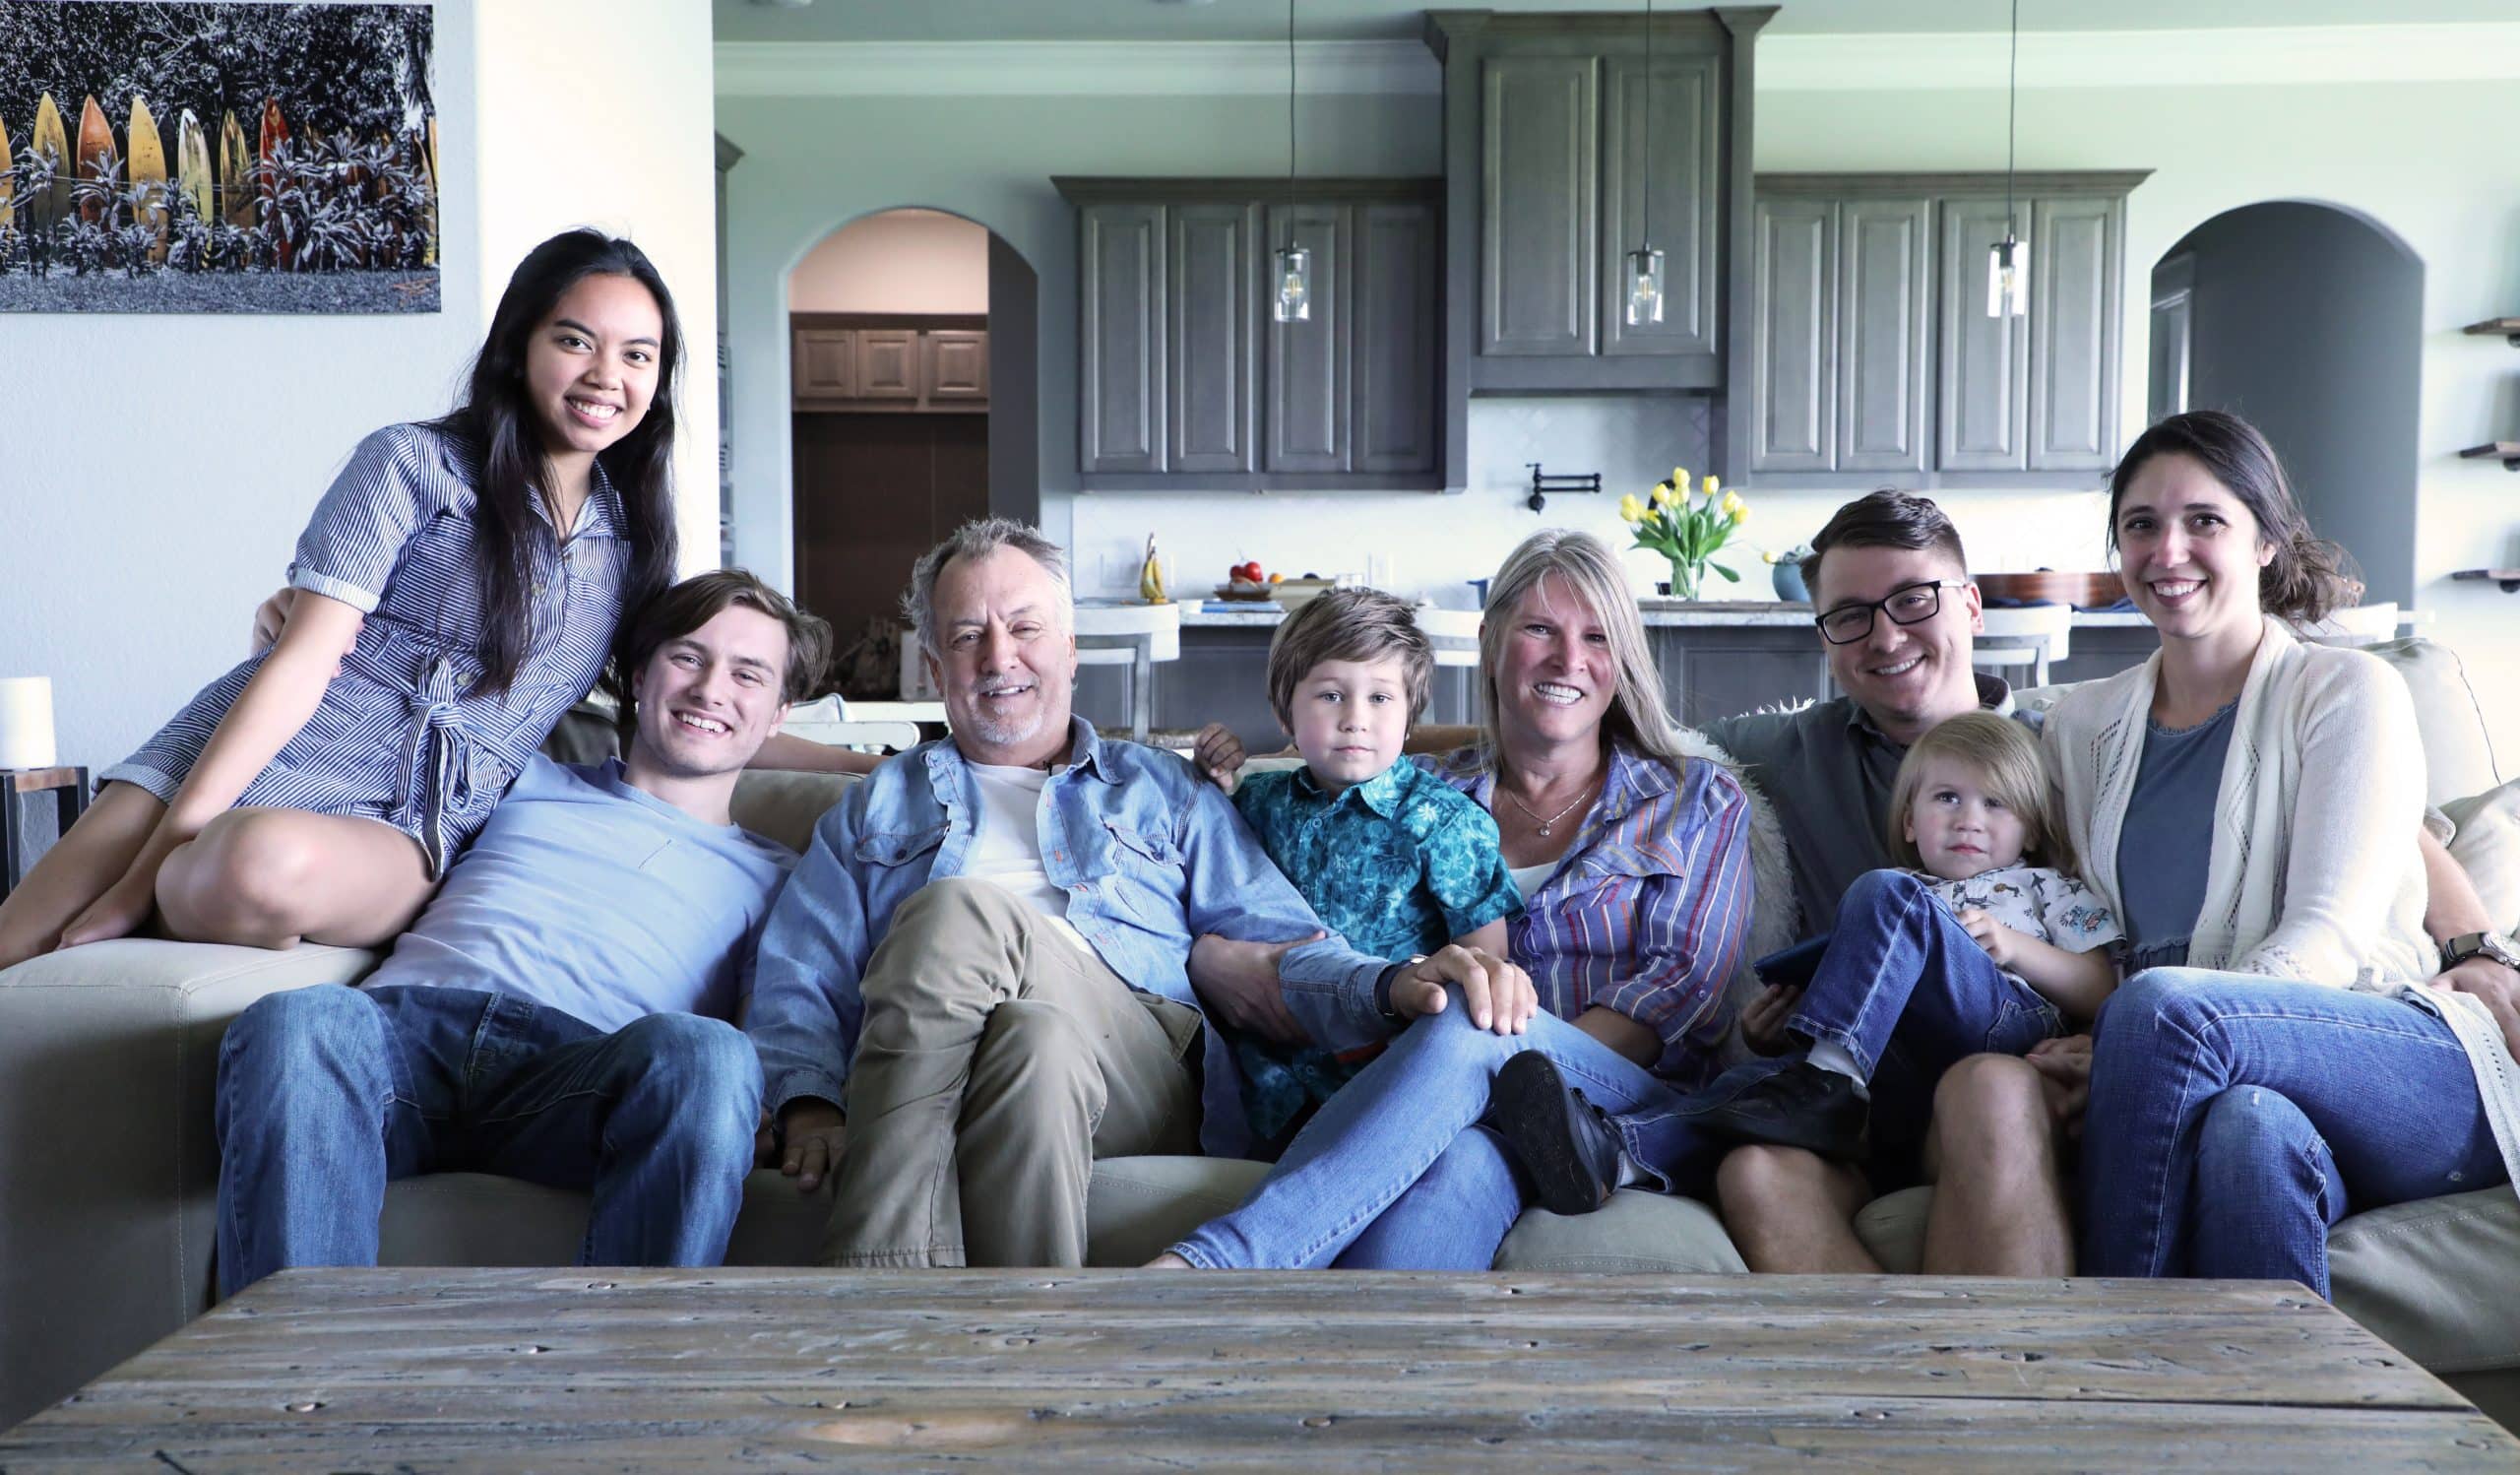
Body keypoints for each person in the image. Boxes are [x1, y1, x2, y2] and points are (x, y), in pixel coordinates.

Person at [744, 518, 1534, 1269]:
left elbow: (1282, 949)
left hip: (1138, 1065)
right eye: (965, 636)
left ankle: (880, 1299)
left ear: (1071, 649)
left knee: (958, 910)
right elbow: (797, 971)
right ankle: (1036, 1365)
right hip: (1014, 1055)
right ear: (937, 665)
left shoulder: (1165, 791)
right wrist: (809, 1101)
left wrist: (1390, 984)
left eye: (1024, 628)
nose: (997, 657)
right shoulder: (874, 807)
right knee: (1033, 1040)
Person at [0, 229, 686, 970]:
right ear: (519, 345)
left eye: (637, 355)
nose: (605, 375)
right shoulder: (412, 461)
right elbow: (301, 663)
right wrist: (144, 866)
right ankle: (175, 879)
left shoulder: (633, 532)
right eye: (576, 341)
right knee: (19, 946)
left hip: (405, 816)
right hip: (233, 751)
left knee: (254, 864)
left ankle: (187, 886)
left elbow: (684, 699)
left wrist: (835, 764)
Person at [1152, 529, 1756, 1271]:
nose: (1569, 660)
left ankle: (1212, 1267)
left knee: (1469, 1006)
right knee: (1455, 1172)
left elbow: (1681, 991)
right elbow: (1256, 884)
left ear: (1621, 658)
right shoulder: (1423, 793)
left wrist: (1502, 1048)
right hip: (1457, 1109)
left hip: (1610, 1099)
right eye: (1540, 629)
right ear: (1492, 640)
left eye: (1597, 636)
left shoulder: (1694, 796)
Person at [213, 569, 825, 1294]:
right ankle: (292, 1383)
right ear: (637, 674)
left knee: (713, 1053)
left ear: (780, 713)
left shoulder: (781, 875)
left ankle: (632, 1386)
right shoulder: (513, 773)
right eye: (688, 657)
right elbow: (358, 733)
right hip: (401, 1038)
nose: (710, 689)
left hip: (584, 1072)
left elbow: (777, 1024)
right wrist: (290, 647)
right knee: (300, 1019)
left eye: (747, 674)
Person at [2054, 410, 2518, 1292]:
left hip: (2397, 1050)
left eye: (2205, 521)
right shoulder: (2081, 726)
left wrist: (2135, 1045)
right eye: (2140, 525)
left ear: (2267, 541)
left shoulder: (2347, 690)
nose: (2167, 550)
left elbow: (2328, 936)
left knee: (2161, 1010)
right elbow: (2081, 927)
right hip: (2221, 1076)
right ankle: (2274, 1425)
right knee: (2248, 1134)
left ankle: (2102, 1366)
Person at [1707, 711, 2119, 1182]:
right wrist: (1780, 1031)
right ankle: (1628, 1150)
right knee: (1740, 1087)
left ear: (2031, 830)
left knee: (1884, 892)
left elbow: (2102, 987)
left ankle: (1829, 1079)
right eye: (1947, 798)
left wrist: (2015, 947)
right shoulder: (1898, 893)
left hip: (2007, 1028)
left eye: (1995, 803)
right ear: (1908, 821)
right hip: (1899, 1071)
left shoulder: (2047, 887)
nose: (1969, 821)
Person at [1219, 587, 1523, 1157]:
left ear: (1410, 717)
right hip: (1262, 1076)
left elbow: (1486, 967)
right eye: (1331, 695)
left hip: (1389, 1075)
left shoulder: (1444, 822)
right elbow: (1201, 882)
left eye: (1381, 698)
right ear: (1286, 710)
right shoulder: (1253, 802)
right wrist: (1209, 781)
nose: (1355, 719)